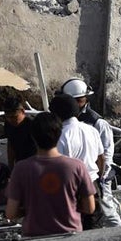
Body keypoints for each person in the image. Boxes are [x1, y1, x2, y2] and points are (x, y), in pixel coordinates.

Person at [5, 112, 96, 237]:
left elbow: (10, 213)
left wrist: (31, 209)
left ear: (33, 136)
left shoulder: (21, 168)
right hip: (70, 237)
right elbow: (90, 207)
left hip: (35, 237)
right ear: (59, 134)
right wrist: (69, 205)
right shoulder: (77, 166)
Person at [59, 78, 121, 227]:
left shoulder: (97, 122)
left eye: (78, 101)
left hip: (96, 175)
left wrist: (101, 177)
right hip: (78, 176)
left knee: (105, 206)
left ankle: (120, 233)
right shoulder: (67, 121)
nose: (76, 104)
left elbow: (106, 153)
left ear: (84, 99)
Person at [49, 94, 104, 228]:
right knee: (94, 228)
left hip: (74, 188)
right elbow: (101, 159)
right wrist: (98, 179)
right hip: (93, 184)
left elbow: (61, 169)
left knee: (73, 230)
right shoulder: (92, 130)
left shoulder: (61, 135)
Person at [1, 97, 37, 168]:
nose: (11, 120)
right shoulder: (8, 124)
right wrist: (11, 165)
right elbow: (10, 144)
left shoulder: (33, 125)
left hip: (35, 164)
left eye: (14, 117)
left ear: (23, 111)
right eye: (7, 117)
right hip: (20, 163)